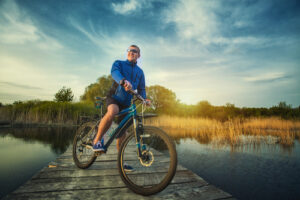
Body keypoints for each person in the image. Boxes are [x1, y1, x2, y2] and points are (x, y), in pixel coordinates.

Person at [92, 45, 149, 170]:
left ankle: (120, 163)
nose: (131, 52)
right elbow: (114, 73)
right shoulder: (119, 63)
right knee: (113, 110)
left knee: (122, 133)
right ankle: (96, 141)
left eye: (134, 51)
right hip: (114, 97)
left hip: (127, 103)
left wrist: (145, 99)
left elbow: (142, 89)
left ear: (138, 55)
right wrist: (123, 81)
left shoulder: (140, 72)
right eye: (129, 50)